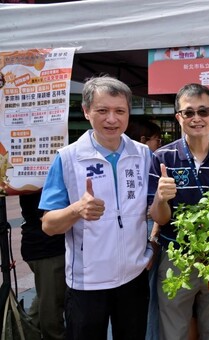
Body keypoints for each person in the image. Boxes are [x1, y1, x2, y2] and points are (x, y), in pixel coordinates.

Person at [39, 75, 153, 340]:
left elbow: (154, 208)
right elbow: (48, 225)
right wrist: (76, 209)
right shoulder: (68, 158)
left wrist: (151, 248)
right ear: (86, 111)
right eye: (102, 110)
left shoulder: (144, 155)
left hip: (134, 278)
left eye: (119, 111)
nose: (111, 119)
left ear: (128, 113)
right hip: (87, 283)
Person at [148, 83, 209, 340]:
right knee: (174, 330)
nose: (197, 118)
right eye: (188, 112)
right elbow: (159, 218)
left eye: (203, 111)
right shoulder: (163, 158)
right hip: (175, 257)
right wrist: (161, 199)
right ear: (179, 117)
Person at [124, 117, 162, 340]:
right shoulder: (149, 161)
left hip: (134, 231)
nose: (159, 144)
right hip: (145, 230)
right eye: (157, 139)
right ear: (143, 140)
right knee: (149, 295)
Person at [20, 190, 66, 340]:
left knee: (47, 296)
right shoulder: (43, 172)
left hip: (47, 245)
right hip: (47, 247)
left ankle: (27, 332)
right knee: (51, 306)